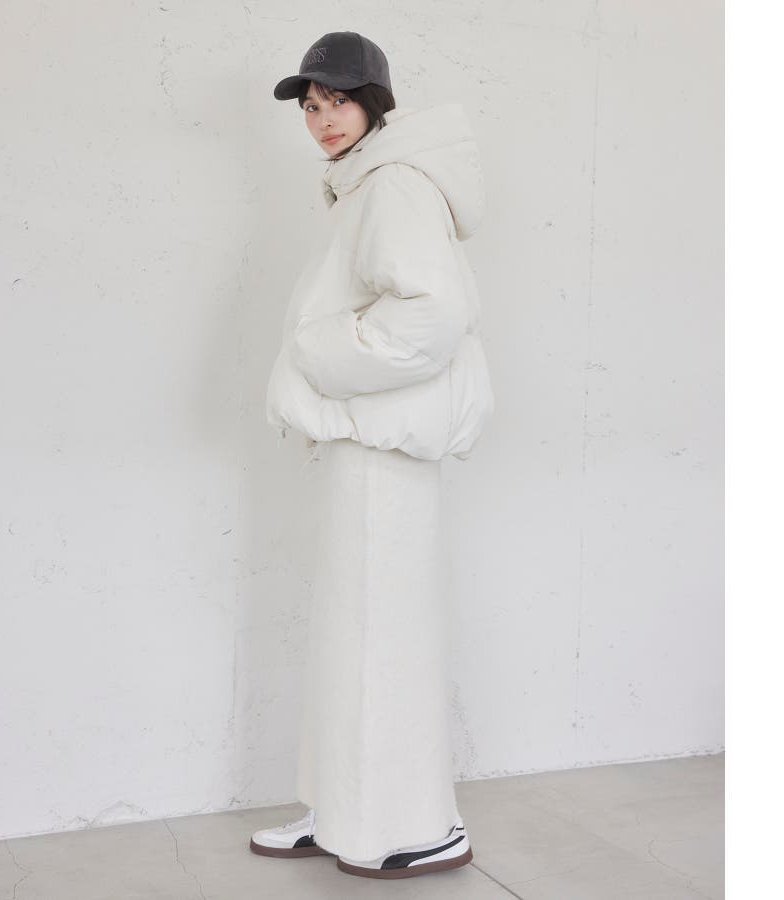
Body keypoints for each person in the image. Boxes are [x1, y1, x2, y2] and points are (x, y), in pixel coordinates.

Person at [249, 31, 494, 880]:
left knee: (384, 637)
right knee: (351, 634)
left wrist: (323, 354)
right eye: (312, 106)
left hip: (388, 441)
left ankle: (420, 826)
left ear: (376, 104)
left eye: (340, 101)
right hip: (367, 434)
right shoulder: (362, 183)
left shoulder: (395, 184)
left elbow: (433, 314)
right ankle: (343, 810)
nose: (323, 119)